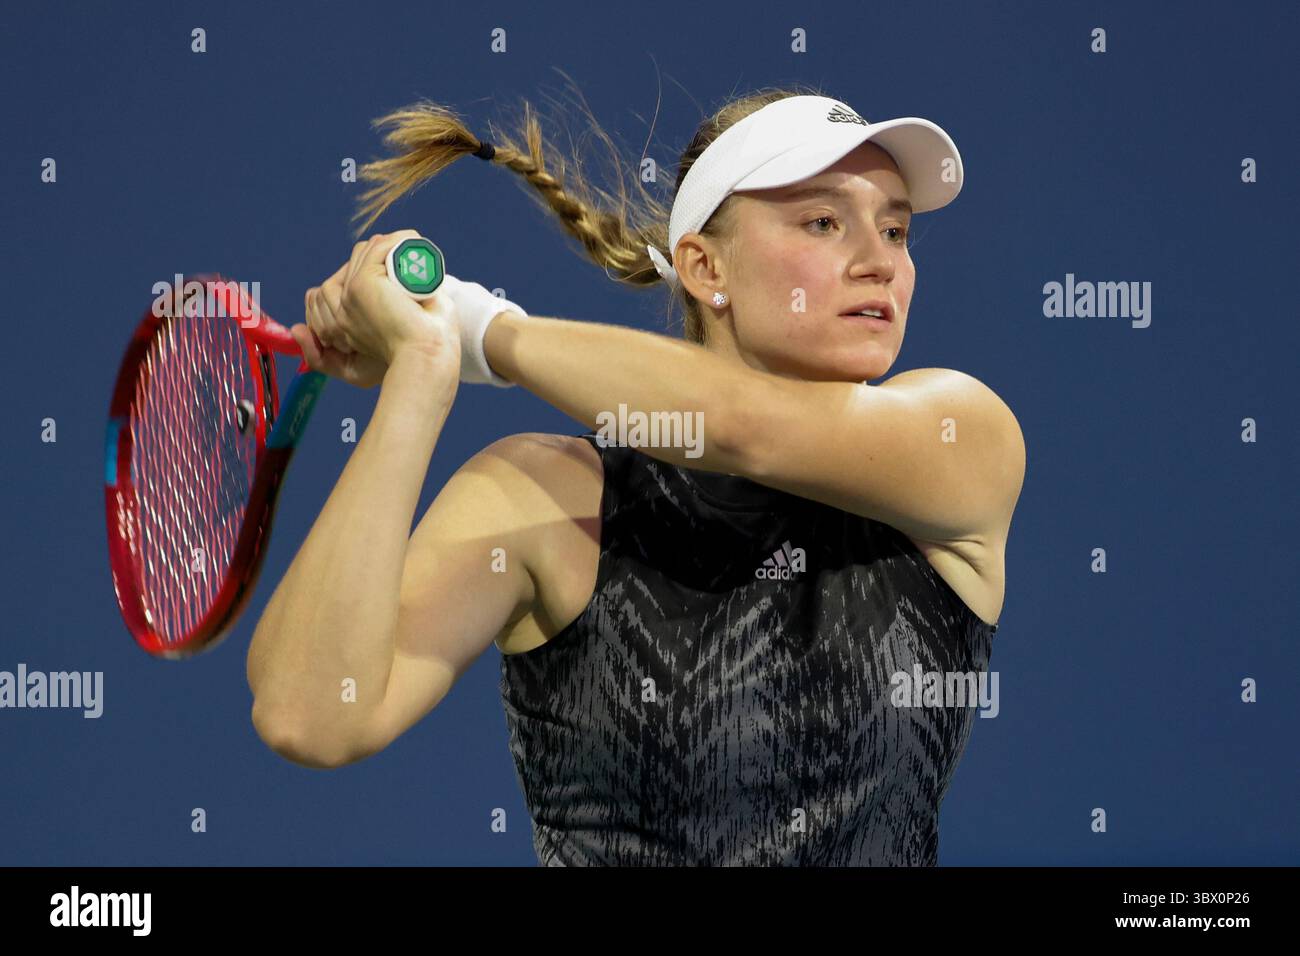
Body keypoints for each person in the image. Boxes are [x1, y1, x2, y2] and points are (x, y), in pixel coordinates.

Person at [246, 82, 1026, 866]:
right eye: (823, 222)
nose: (879, 263)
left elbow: (737, 424)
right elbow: (311, 717)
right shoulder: (545, 494)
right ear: (704, 266)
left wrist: (487, 330)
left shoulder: (961, 438)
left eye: (896, 230)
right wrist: (424, 368)